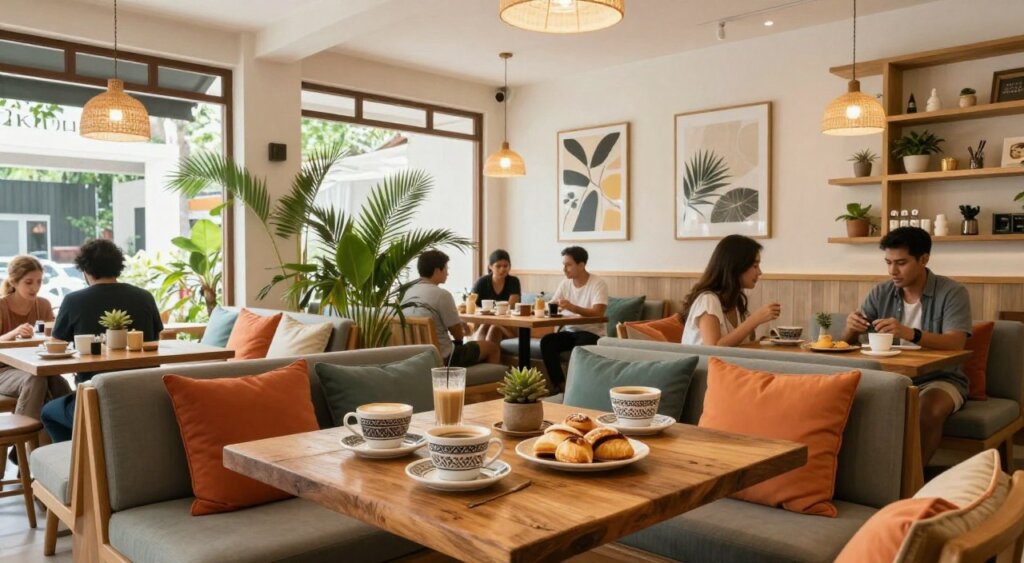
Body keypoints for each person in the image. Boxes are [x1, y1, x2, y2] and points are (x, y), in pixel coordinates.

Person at [841, 227, 972, 465]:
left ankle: (912, 485)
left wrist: (910, 333)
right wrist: (851, 327)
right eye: (888, 262)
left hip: (941, 378)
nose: (893, 270)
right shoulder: (881, 292)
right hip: (888, 377)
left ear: (924, 259)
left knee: (927, 410)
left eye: (901, 262)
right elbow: (847, 343)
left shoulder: (952, 292)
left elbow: (956, 343)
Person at [40, 239, 164, 442]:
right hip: (147, 396)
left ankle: (79, 466)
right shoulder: (144, 297)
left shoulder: (74, 301)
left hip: (96, 398)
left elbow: (56, 347)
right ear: (118, 267)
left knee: (49, 412)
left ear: (85, 270)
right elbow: (154, 339)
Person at [0, 255, 73, 426]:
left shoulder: (43, 305)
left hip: (36, 366)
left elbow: (54, 339)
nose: (35, 287)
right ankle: (21, 446)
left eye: (39, 282)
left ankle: (69, 442)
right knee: (36, 380)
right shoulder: (2, 306)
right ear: (14, 281)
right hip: (3, 371)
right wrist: (14, 332)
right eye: (29, 282)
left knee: (58, 383)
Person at [403, 250, 500, 366]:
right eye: (446, 269)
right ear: (437, 270)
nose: (447, 273)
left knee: (477, 345)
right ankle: (484, 382)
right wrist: (464, 329)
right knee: (492, 348)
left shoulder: (407, 293)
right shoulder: (442, 295)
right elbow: (458, 335)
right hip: (445, 357)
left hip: (415, 357)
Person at [680, 235, 780, 346]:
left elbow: (739, 345)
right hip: (705, 364)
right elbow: (713, 348)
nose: (760, 272)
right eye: (755, 266)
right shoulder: (708, 300)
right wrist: (754, 320)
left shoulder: (735, 301)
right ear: (736, 267)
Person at [539, 246, 608, 391]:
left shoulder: (597, 283)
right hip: (570, 331)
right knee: (547, 342)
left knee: (579, 347)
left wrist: (572, 307)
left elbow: (599, 312)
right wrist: (540, 306)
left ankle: (578, 389)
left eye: (568, 265)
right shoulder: (565, 284)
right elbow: (552, 304)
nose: (564, 269)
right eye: (563, 265)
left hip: (592, 333)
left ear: (581, 265)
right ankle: (560, 386)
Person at [471, 249, 521, 344]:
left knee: (493, 327)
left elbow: (511, 307)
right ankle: (479, 355)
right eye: (498, 266)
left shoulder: (514, 281)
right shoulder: (482, 282)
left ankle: (486, 355)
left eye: (505, 266)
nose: (502, 269)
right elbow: (471, 304)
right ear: (490, 266)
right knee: (485, 326)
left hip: (509, 325)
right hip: (486, 322)